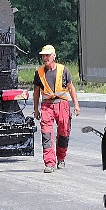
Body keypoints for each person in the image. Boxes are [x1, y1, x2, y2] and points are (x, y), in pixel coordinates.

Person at [33, 45, 80, 173]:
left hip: (62, 104)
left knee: (64, 132)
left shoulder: (63, 70)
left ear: (54, 56)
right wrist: (36, 109)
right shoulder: (39, 73)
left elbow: (71, 88)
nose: (44, 58)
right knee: (46, 134)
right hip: (47, 106)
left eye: (47, 55)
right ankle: (49, 163)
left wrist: (76, 105)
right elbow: (36, 92)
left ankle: (61, 158)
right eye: (43, 56)